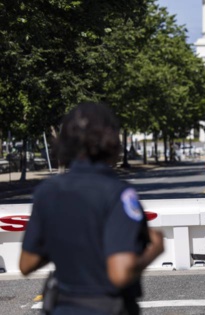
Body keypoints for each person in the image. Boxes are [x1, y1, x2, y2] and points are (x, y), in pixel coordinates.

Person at [19, 102, 164, 315]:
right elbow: (120, 272)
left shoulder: (47, 191)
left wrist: (69, 240)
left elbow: (26, 263)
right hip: (107, 307)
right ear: (111, 140)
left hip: (62, 307)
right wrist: (155, 249)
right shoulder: (118, 193)